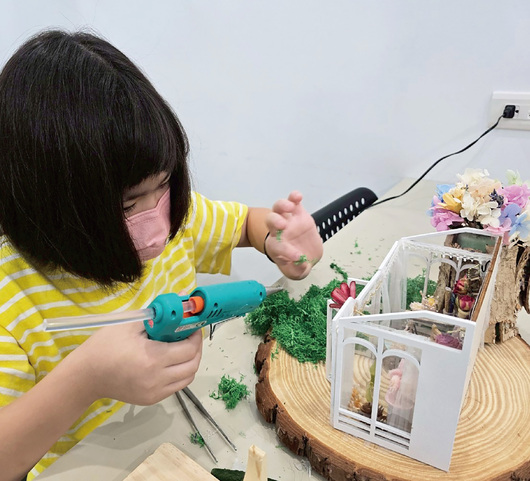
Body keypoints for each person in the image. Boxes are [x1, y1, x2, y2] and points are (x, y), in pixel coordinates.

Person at [0, 30, 323, 481]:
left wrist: (278, 240)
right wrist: (86, 378)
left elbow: (246, 225)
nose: (157, 225)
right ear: (49, 203)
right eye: (127, 206)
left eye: (165, 184)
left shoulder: (179, 220)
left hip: (178, 440)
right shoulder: (13, 297)